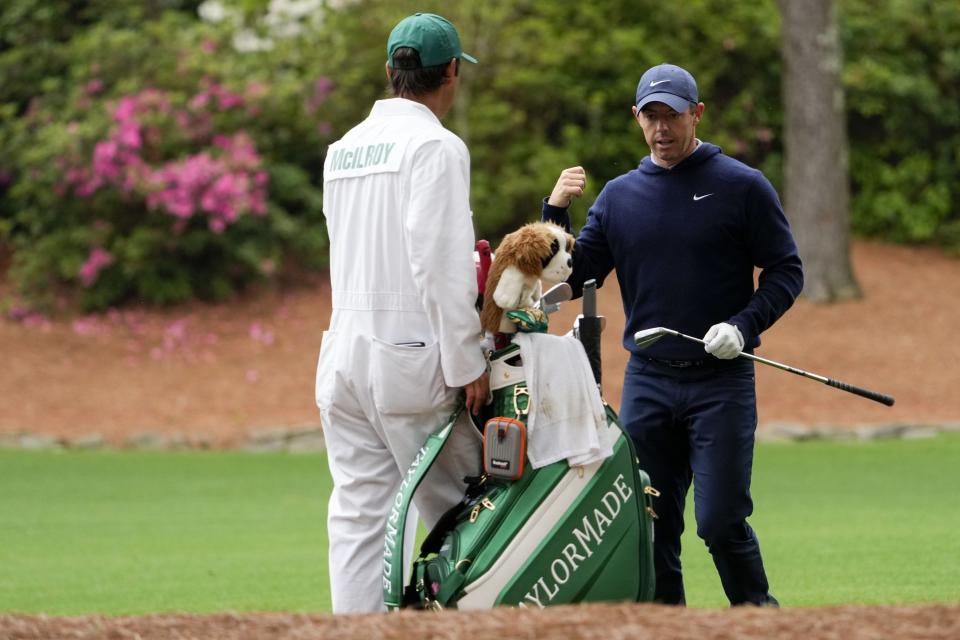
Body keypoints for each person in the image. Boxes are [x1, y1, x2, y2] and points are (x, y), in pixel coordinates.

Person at [542, 63, 803, 606]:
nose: (662, 129)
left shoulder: (742, 186)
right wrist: (555, 212)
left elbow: (785, 271)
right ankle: (668, 625)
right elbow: (576, 276)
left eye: (672, 116)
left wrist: (743, 324)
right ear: (637, 118)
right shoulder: (619, 197)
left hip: (721, 381)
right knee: (650, 519)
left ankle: (761, 622)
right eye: (650, 116)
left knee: (720, 521)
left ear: (696, 114)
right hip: (649, 380)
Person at [316, 12, 489, 613]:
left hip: (343, 357)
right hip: (411, 360)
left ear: (391, 71)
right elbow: (439, 266)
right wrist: (468, 362)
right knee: (465, 509)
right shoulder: (436, 146)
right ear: (450, 75)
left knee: (359, 518)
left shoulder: (342, 150)